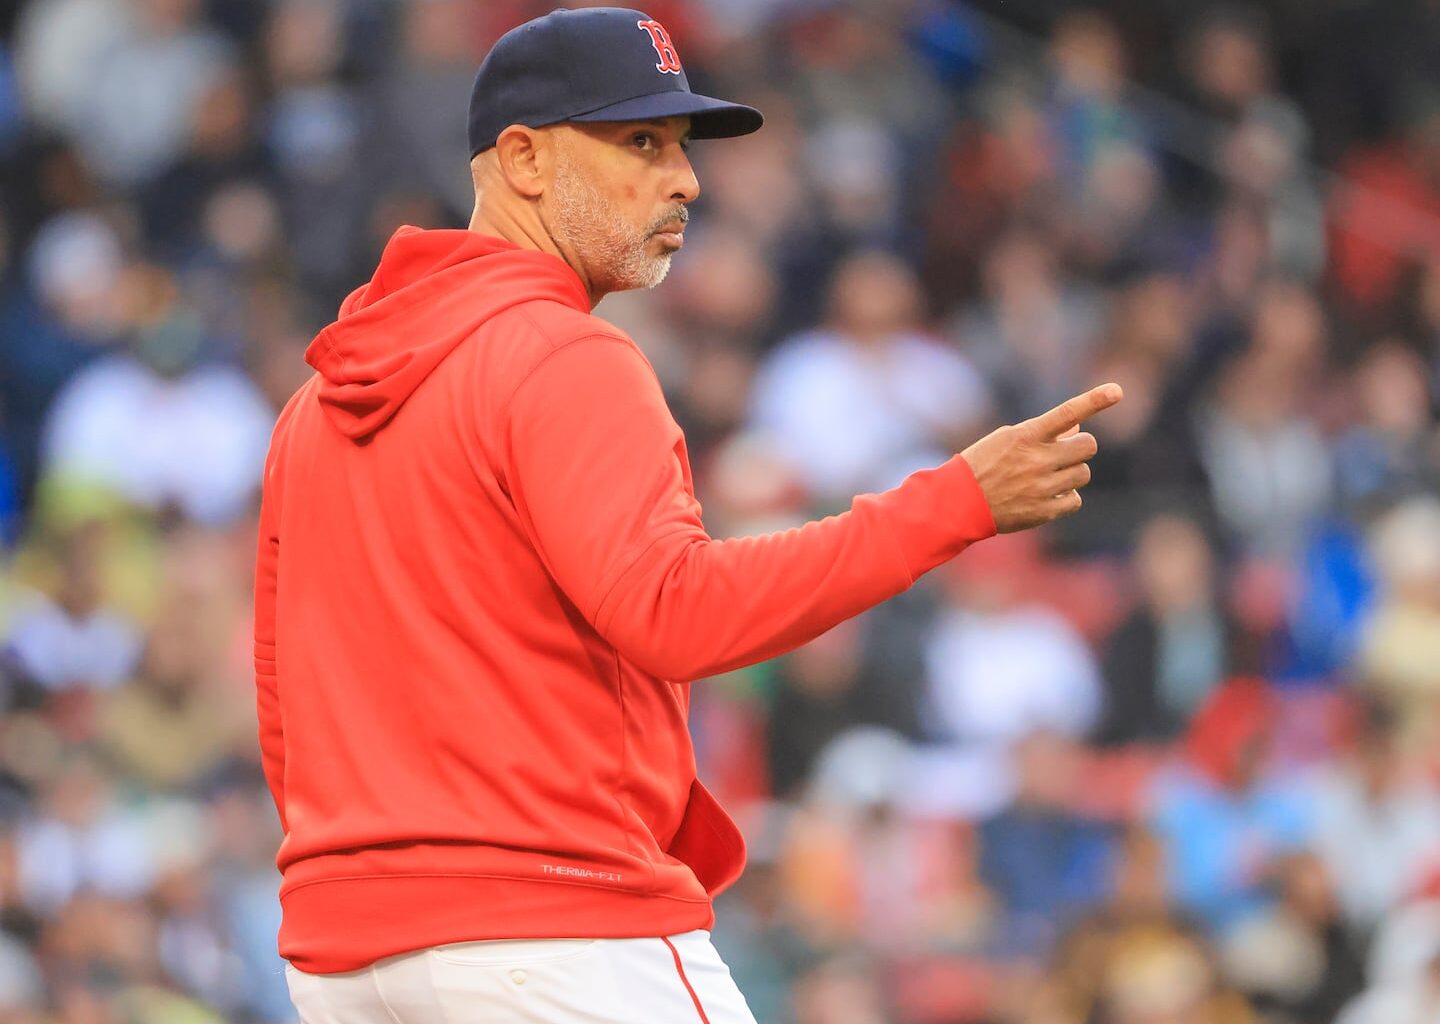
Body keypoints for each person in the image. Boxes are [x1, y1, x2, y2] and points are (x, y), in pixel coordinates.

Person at [254, 8, 1122, 1023]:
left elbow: (284, 705)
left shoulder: (313, 408)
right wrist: (954, 502)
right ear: (524, 159)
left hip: (344, 957)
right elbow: (676, 612)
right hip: (551, 930)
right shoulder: (565, 355)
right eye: (641, 143)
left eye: (679, 146)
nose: (686, 179)